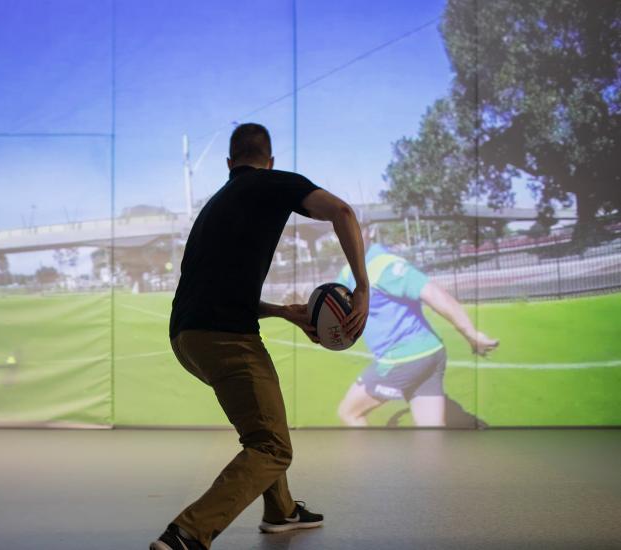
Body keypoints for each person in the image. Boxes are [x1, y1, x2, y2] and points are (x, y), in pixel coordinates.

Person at [151, 123, 369, 550]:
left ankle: (281, 511)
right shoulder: (276, 182)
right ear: (269, 162)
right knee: (271, 445)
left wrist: (281, 312)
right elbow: (342, 213)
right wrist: (362, 286)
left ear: (231, 163)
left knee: (262, 419)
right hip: (225, 336)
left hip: (186, 337)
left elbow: (212, 287)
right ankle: (187, 533)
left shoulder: (216, 204)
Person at [336, 225, 499, 427]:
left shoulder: (382, 265)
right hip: (430, 354)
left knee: (349, 412)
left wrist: (470, 333)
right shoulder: (347, 272)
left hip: (403, 359)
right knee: (430, 435)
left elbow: (434, 294)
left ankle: (372, 459)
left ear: (370, 231)